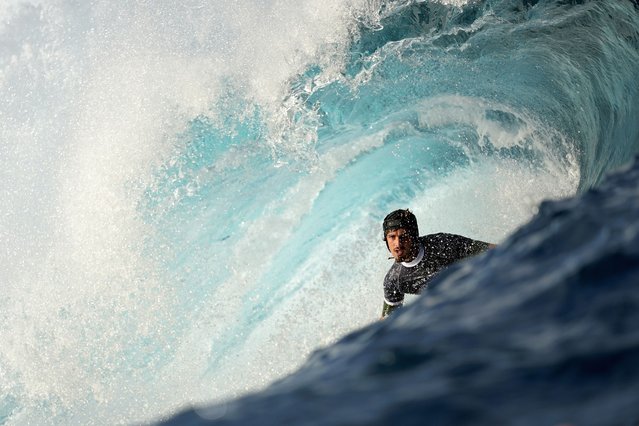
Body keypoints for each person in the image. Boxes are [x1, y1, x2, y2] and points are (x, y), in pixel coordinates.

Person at [381, 209, 495, 319]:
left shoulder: (442, 244)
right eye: (392, 237)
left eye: (403, 236)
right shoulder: (393, 280)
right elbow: (387, 321)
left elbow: (492, 250)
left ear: (414, 236)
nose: (398, 244)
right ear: (386, 240)